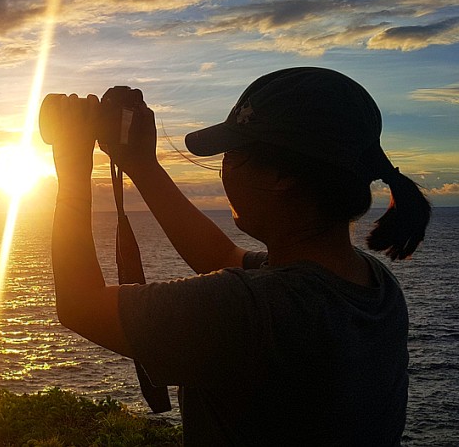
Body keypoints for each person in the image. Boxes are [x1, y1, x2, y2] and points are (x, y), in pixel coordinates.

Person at [46, 67, 431, 446]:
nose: (224, 169)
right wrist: (142, 166)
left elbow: (80, 305)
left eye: (232, 152)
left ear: (281, 175)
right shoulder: (374, 287)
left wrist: (72, 167)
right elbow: (219, 254)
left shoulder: (253, 308)